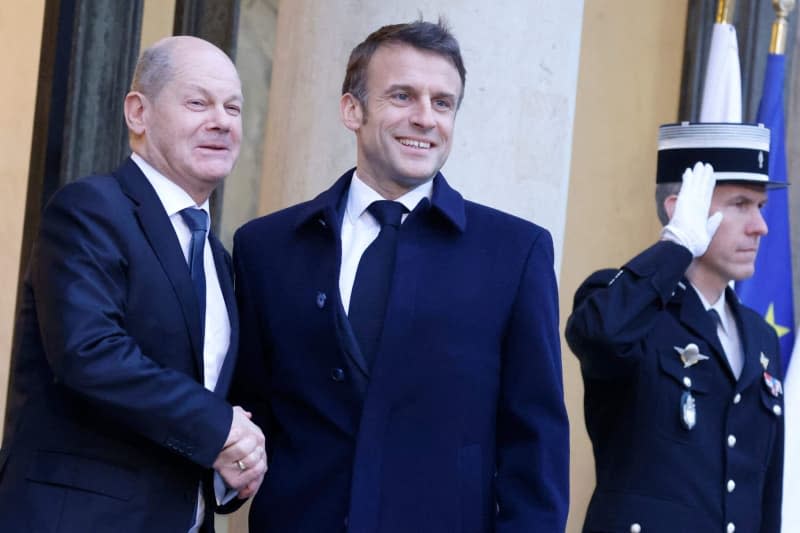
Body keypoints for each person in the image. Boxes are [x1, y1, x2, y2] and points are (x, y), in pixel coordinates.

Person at [228, 19, 569, 533]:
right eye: (403, 96)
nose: (425, 118)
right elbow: (248, 415)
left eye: (443, 102)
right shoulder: (266, 247)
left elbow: (536, 441)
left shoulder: (516, 252)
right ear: (352, 109)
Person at [0, 36, 266, 533]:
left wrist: (238, 458)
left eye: (233, 107)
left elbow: (204, 399)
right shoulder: (91, 209)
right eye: (198, 102)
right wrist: (220, 428)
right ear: (138, 113)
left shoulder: (218, 256)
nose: (222, 121)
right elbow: (90, 353)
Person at [566, 122, 784, 533]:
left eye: (760, 206)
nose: (760, 226)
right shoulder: (627, 305)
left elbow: (764, 493)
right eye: (740, 204)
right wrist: (676, 245)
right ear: (679, 207)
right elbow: (599, 335)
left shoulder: (760, 336)